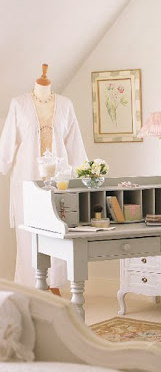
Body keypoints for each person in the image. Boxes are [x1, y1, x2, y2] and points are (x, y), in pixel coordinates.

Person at [0, 64, 87, 292]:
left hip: (59, 181)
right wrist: (3, 163)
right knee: (28, 235)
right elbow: (8, 143)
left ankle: (54, 286)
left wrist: (83, 172)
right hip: (26, 179)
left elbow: (74, 143)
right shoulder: (19, 104)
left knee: (57, 231)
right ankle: (31, 288)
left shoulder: (65, 105)